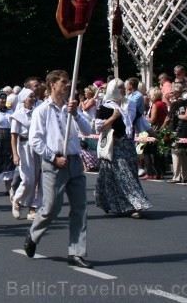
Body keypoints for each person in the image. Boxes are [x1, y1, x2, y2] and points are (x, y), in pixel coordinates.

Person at [24, 70, 93, 269]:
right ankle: (33, 234)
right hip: (54, 163)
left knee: (80, 208)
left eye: (68, 82)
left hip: (74, 161)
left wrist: (76, 115)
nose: (67, 86)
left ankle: (76, 252)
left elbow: (88, 131)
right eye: (64, 82)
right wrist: (53, 157)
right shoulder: (42, 110)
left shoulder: (72, 108)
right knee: (52, 207)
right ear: (52, 84)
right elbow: (35, 140)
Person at [93, 79, 153, 219]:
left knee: (129, 174)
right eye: (119, 88)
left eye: (123, 87)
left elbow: (142, 123)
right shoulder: (105, 108)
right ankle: (134, 205)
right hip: (114, 146)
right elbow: (99, 128)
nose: (122, 90)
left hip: (128, 144)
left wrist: (159, 137)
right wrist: (113, 117)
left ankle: (128, 205)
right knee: (120, 176)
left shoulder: (130, 105)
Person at [9, 88, 41, 221]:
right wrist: (15, 154)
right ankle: (17, 200)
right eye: (30, 96)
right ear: (23, 99)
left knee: (37, 180)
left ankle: (32, 208)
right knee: (28, 180)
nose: (33, 99)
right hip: (24, 147)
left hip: (37, 147)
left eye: (34, 96)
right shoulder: (18, 115)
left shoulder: (37, 112)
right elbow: (14, 137)